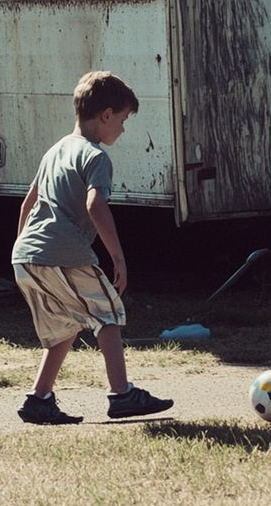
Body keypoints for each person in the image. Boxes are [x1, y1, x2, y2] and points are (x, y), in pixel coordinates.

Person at [12, 70, 174, 424]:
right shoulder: (96, 156)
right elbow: (95, 205)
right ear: (106, 115)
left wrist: (23, 249)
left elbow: (29, 203)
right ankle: (122, 395)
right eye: (123, 119)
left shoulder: (55, 150)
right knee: (108, 313)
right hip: (63, 252)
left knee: (64, 325)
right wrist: (118, 257)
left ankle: (39, 399)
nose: (123, 128)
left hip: (25, 254)